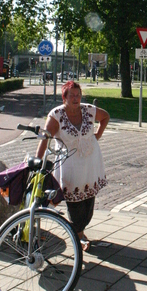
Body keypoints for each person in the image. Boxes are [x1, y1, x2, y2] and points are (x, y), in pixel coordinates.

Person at [36, 80, 110, 252]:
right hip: (70, 167)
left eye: (78, 95)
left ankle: (79, 233)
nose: (76, 99)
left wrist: (97, 134)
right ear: (64, 97)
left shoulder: (88, 110)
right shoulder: (57, 115)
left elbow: (105, 116)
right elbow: (45, 138)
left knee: (88, 205)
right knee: (75, 206)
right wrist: (38, 161)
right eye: (72, 96)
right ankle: (77, 238)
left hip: (90, 164)